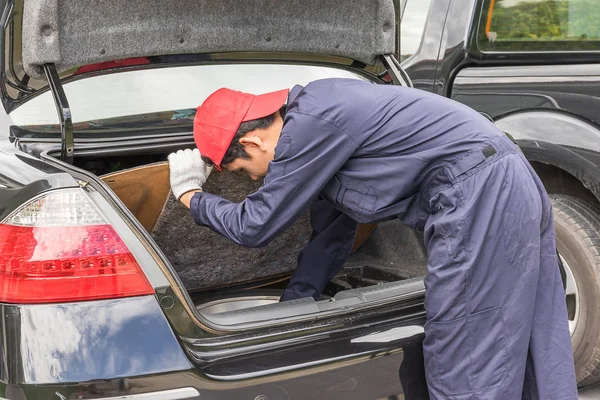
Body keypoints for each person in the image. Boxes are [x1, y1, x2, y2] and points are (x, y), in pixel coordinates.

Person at [168, 78, 577, 399]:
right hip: (504, 181)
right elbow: (332, 233)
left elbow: (254, 225)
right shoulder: (321, 115)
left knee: (465, 347)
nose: (254, 179)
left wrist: (191, 196)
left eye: (243, 170)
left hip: (479, 196)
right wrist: (291, 309)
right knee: (524, 333)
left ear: (252, 141)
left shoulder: (307, 128)